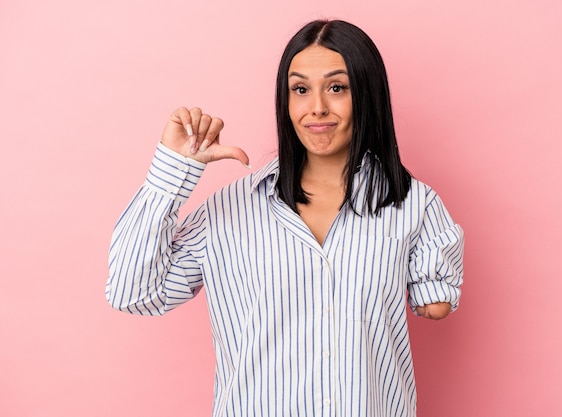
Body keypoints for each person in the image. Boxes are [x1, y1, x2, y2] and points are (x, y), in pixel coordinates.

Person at [107, 19, 464, 417]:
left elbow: (435, 299)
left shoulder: (414, 205)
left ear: (367, 94)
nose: (316, 107)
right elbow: (130, 293)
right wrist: (173, 170)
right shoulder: (229, 212)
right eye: (300, 89)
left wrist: (434, 288)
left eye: (337, 87)